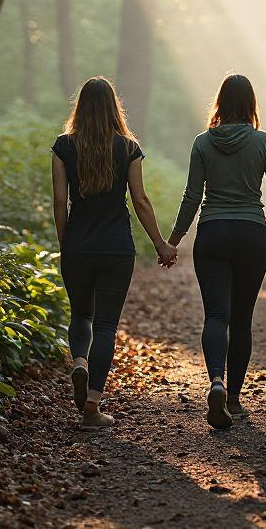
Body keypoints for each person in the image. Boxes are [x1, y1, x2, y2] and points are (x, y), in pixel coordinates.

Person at [168, 74, 266, 429]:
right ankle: (233, 400)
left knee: (216, 315)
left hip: (212, 233)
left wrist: (172, 241)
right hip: (251, 235)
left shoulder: (202, 143)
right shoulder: (264, 142)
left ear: (220, 102)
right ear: (251, 104)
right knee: (242, 319)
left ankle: (216, 381)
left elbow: (191, 196)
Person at [52, 77, 178, 431]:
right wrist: (160, 244)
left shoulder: (63, 146)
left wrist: (66, 242)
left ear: (80, 107)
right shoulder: (128, 147)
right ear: (113, 107)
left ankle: (80, 362)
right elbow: (140, 200)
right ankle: (92, 405)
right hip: (116, 248)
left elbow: (60, 201)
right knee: (106, 325)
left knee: (81, 315)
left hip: (78, 245)